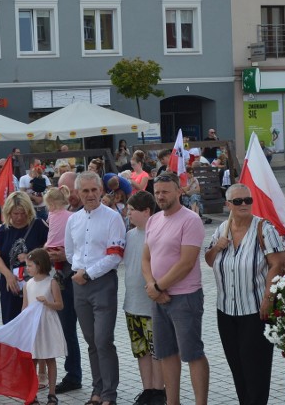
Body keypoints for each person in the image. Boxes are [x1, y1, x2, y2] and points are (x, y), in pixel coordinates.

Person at [205, 183, 285, 405]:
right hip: (226, 310)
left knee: (256, 368)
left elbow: (277, 264)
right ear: (228, 204)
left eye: (247, 200)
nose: (244, 205)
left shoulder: (264, 228)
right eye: (238, 201)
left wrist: (269, 298)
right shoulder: (222, 229)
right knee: (237, 366)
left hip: (256, 310)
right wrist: (217, 247)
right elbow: (210, 261)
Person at [143, 172, 209, 405]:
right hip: (158, 298)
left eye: (165, 191)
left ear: (179, 192)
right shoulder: (153, 220)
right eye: (157, 192)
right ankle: (173, 402)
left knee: (192, 353)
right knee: (166, 353)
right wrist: (152, 286)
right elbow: (146, 259)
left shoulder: (190, 220)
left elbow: (187, 262)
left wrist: (159, 286)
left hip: (185, 297)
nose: (160, 196)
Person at [65, 171, 126, 405]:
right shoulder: (73, 220)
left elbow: (115, 256)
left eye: (94, 190)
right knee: (91, 342)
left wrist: (88, 273)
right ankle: (97, 391)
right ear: (78, 193)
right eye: (85, 191)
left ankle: (110, 394)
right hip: (79, 284)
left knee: (103, 340)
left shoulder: (113, 218)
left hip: (102, 283)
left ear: (101, 190)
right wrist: (79, 273)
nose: (90, 195)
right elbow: (71, 253)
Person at [122, 191, 166, 405]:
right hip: (132, 304)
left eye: (131, 211)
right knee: (141, 351)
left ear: (146, 211)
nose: (128, 214)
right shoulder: (129, 235)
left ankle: (160, 390)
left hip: (151, 304)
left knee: (157, 350)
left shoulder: (157, 233)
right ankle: (147, 389)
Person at [0, 191, 49, 325]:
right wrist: (8, 275)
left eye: (23, 213)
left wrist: (31, 256)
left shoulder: (38, 225)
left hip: (35, 283)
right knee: (11, 322)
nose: (20, 217)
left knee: (35, 324)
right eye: (16, 214)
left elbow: (49, 246)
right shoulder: (2, 230)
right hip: (11, 284)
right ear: (8, 212)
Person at [50, 177, 84, 394]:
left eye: (72, 190)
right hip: (63, 276)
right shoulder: (61, 214)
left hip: (85, 279)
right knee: (67, 329)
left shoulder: (85, 214)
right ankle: (73, 375)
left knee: (95, 335)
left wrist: (67, 255)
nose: (69, 194)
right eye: (67, 190)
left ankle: (103, 382)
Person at [23, 248, 67, 405]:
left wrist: (47, 303)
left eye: (29, 265)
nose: (27, 269)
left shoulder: (51, 282)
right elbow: (25, 308)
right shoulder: (27, 284)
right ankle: (32, 393)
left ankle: (52, 393)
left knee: (49, 357)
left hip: (47, 324)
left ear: (39, 265)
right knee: (33, 359)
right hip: (33, 327)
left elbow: (60, 305)